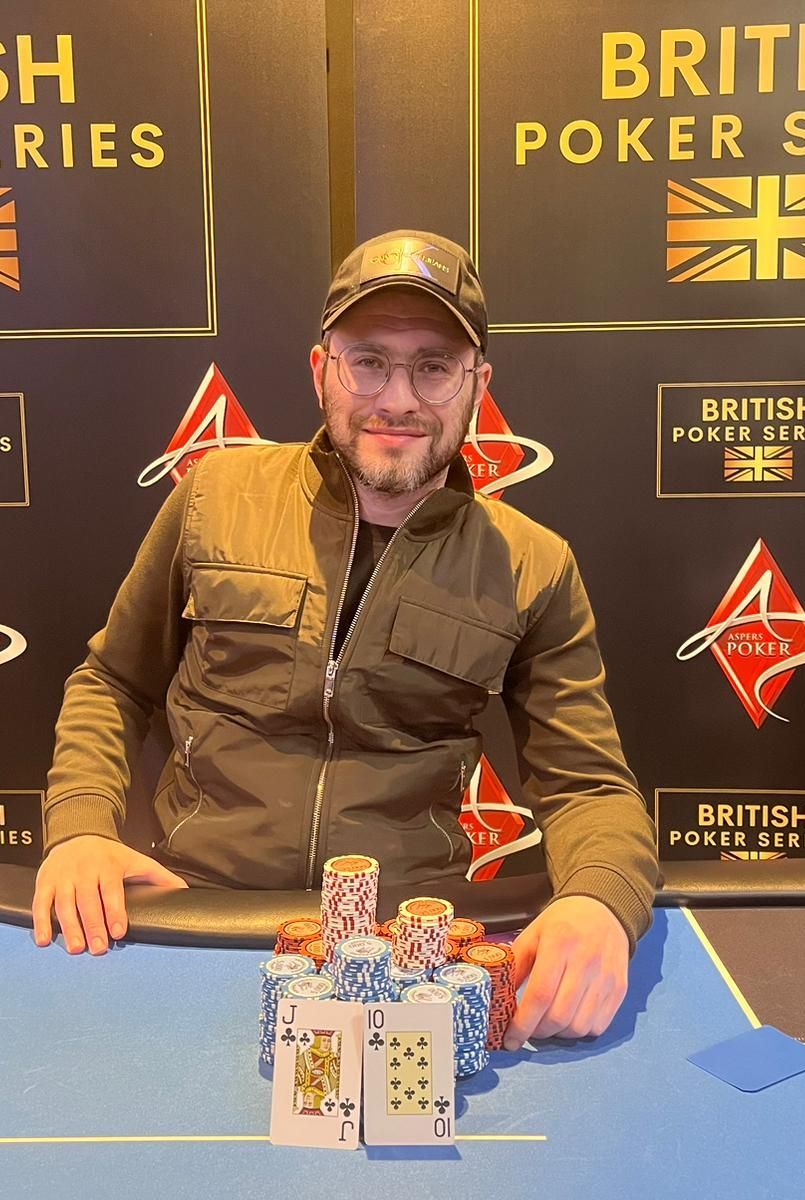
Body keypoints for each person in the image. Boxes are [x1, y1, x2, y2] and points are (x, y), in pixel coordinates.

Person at [34, 230, 659, 1047]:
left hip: (407, 950)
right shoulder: (213, 495)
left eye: (434, 367)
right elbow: (112, 682)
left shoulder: (534, 565)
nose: (398, 397)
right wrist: (80, 827)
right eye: (369, 360)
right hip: (192, 913)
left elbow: (590, 788)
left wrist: (599, 900)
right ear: (322, 368)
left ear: (478, 385)